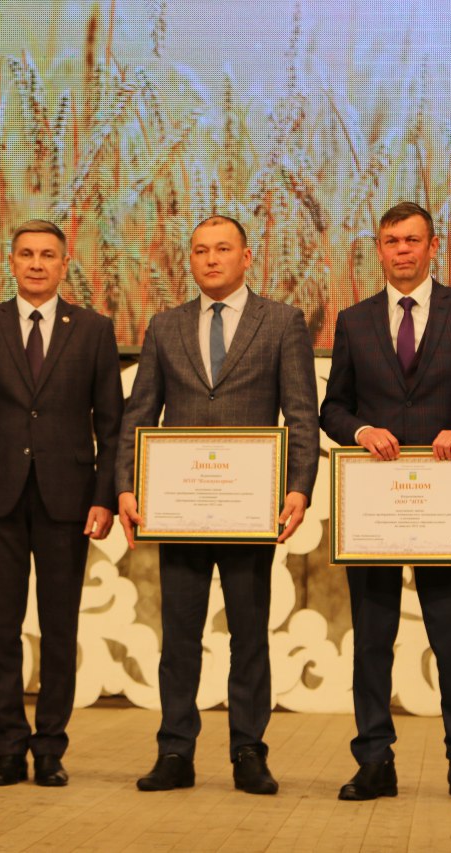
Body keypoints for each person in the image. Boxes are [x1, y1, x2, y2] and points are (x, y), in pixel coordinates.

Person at [319, 201, 451, 806]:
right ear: (379, 250)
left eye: (412, 240)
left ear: (433, 247)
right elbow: (334, 409)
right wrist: (361, 431)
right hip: (375, 507)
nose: (402, 251)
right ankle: (373, 761)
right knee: (371, 641)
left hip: (446, 503)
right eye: (391, 241)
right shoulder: (354, 321)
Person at [116, 214, 319, 796]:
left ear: (246, 257)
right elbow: (139, 412)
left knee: (248, 635)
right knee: (178, 636)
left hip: (250, 510)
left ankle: (249, 752)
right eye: (201, 250)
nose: (211, 259)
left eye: (223, 249)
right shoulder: (165, 325)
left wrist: (299, 486)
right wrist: (126, 485)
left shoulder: (282, 322)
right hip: (177, 510)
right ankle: (175, 751)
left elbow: (301, 413)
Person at [0, 219, 123, 787]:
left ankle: (49, 748)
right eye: (27, 254)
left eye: (48, 255)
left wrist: (105, 498)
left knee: (59, 628)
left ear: (65, 265)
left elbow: (111, 426)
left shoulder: (93, 330)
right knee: (1, 627)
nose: (37, 264)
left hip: (68, 500)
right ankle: (7, 746)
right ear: (11, 262)